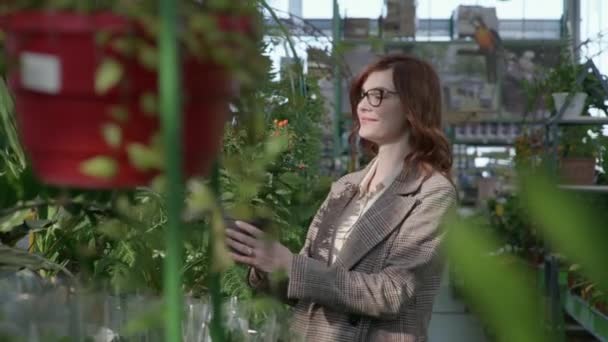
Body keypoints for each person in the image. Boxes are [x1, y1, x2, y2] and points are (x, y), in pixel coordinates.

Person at [225, 53, 457, 341]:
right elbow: (304, 285)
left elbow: (391, 293)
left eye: (378, 95)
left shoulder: (432, 192)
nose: (362, 105)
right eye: (362, 95)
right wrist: (264, 261)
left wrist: (290, 265)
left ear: (413, 105)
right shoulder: (345, 187)